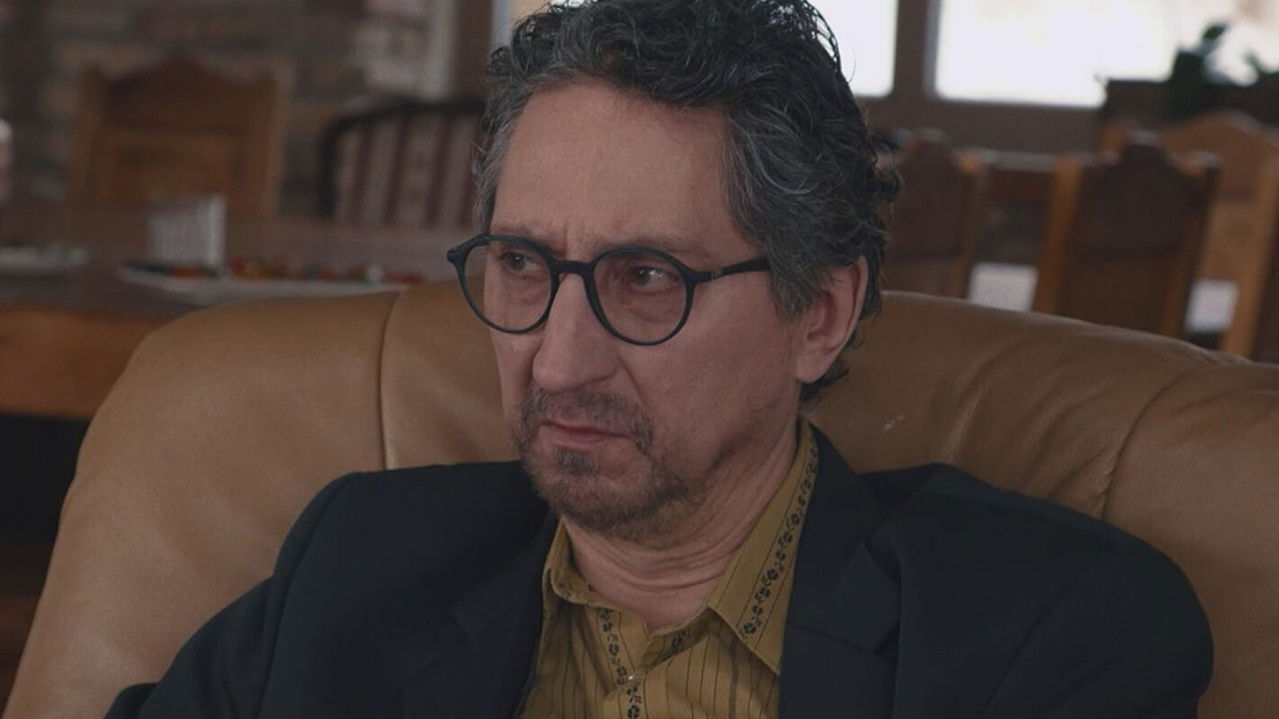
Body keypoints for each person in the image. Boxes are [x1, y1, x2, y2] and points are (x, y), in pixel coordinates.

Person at [105, 1, 1211, 717]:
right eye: (523, 264)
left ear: (818, 314)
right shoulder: (357, 566)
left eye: (645, 277)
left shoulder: (1047, 631)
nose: (558, 360)